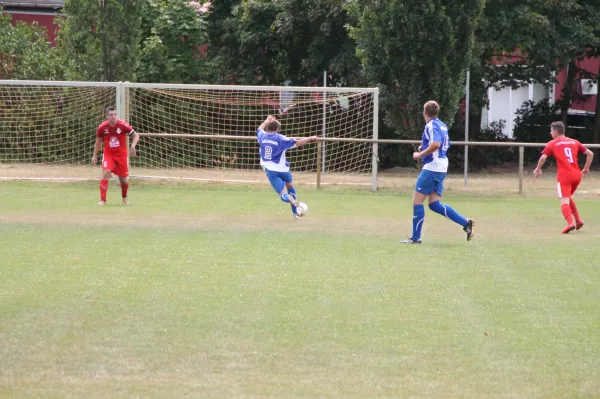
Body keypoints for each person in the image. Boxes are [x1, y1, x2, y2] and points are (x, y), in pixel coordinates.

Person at [401, 101, 474, 244]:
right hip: (441, 166)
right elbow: (443, 144)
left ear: (425, 112)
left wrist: (420, 154)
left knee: (417, 201)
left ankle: (416, 238)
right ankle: (465, 223)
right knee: (434, 204)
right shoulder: (442, 125)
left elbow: (436, 144)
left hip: (432, 167)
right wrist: (426, 146)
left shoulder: (431, 125)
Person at [533, 121, 594, 233]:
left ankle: (570, 224)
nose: (550, 132)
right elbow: (590, 153)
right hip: (577, 175)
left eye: (551, 130)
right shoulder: (574, 142)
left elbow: (543, 158)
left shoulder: (553, 143)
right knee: (567, 197)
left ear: (556, 131)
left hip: (564, 176)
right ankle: (578, 220)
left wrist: (538, 169)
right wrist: (586, 168)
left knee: (564, 200)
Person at [257, 115, 317, 219]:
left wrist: (267, 120)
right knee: (290, 185)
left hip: (271, 171)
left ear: (267, 128)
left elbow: (259, 129)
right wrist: (310, 138)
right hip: (283, 170)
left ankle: (287, 198)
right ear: (278, 129)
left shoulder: (262, 136)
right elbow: (297, 143)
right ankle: (295, 213)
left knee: (282, 194)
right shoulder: (281, 138)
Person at [91, 107, 140, 205]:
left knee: (124, 180)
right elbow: (99, 141)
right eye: (111, 115)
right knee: (106, 173)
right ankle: (103, 200)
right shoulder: (102, 127)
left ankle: (124, 197)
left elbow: (136, 135)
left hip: (121, 155)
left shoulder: (123, 125)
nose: (113, 117)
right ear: (107, 116)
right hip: (108, 154)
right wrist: (94, 155)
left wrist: (133, 146)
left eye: (115, 114)